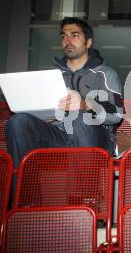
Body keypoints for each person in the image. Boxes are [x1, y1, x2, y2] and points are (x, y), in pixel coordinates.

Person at [6, 17, 123, 168]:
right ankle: (24, 190)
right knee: (18, 122)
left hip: (97, 138)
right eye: (63, 36)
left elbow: (116, 114)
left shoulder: (106, 74)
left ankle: (83, 191)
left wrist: (84, 104)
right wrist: (49, 113)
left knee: (80, 119)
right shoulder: (51, 76)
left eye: (74, 35)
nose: (68, 40)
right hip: (58, 137)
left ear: (88, 42)